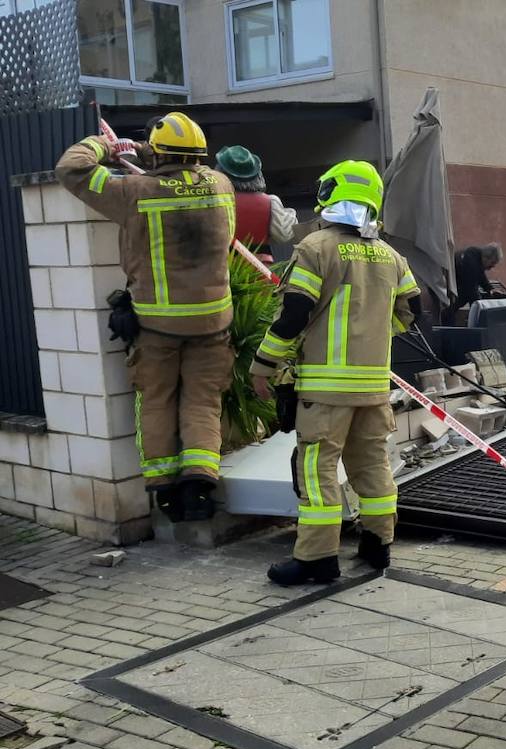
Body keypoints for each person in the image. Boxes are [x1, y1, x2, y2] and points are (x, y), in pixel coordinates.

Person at [55, 112, 236, 522]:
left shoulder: (135, 191)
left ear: (158, 152)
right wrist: (146, 151)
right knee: (203, 402)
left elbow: (72, 168)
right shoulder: (221, 184)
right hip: (213, 322)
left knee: (157, 400)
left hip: (158, 323)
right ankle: (200, 488)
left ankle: (164, 491)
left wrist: (112, 147)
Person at [250, 160, 421, 586]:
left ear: (331, 194)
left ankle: (317, 559)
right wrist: (374, 334)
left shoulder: (315, 247)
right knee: (372, 466)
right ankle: (377, 545)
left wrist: (263, 365)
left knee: (318, 472)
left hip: (326, 392)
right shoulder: (391, 256)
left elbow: (293, 314)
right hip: (373, 388)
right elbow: (412, 313)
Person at [214, 145, 297, 261]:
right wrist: (291, 213)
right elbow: (284, 235)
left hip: (221, 267)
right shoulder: (270, 202)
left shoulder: (214, 202)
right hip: (259, 271)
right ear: (257, 175)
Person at [455, 242, 503, 307]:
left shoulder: (476, 255)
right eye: (492, 262)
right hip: (453, 285)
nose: (493, 266)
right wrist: (480, 308)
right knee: (464, 296)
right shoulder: (472, 263)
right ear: (486, 258)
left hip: (457, 283)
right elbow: (472, 290)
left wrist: (490, 289)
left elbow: (481, 275)